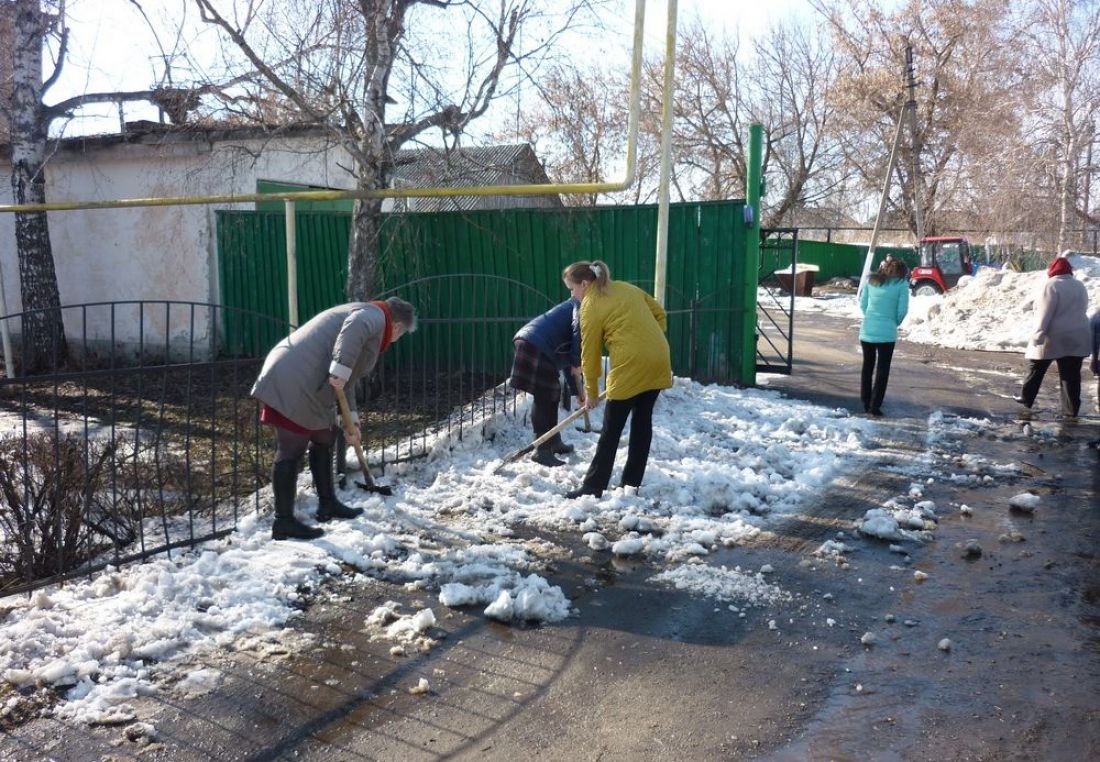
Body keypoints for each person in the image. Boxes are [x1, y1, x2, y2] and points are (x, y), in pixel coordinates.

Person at [252, 297, 417, 540]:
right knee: (291, 448)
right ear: (399, 327)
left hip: (309, 379)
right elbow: (351, 341)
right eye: (400, 335)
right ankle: (283, 522)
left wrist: (352, 421)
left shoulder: (373, 320)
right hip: (295, 378)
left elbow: (345, 382)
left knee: (325, 436)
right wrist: (340, 369)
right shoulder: (372, 316)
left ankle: (328, 503)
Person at [562, 260, 672, 499]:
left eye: (572, 289)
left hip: (630, 364)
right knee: (642, 423)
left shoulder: (590, 305)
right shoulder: (626, 288)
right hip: (659, 358)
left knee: (611, 430)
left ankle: (593, 487)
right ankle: (631, 484)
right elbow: (660, 314)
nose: (573, 294)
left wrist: (591, 392)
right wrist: (649, 341)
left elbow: (589, 354)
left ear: (584, 283)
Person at [1013, 254, 1091, 417]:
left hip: (1054, 336)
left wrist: (1038, 334)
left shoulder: (1051, 285)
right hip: (1078, 335)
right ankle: (1071, 410)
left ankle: (1026, 398)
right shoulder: (1079, 285)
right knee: (1071, 375)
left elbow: (1044, 313)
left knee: (1037, 367)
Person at [510, 298, 583, 467]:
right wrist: (576, 362)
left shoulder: (577, 305)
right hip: (534, 344)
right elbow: (577, 337)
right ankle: (541, 450)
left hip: (533, 342)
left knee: (552, 393)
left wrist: (576, 390)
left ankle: (553, 441)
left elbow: (567, 360)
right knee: (543, 396)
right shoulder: (581, 306)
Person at [859, 257, 910, 416]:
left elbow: (862, 304)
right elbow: (902, 310)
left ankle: (866, 402)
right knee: (882, 369)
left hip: (867, 330)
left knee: (867, 367)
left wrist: (870, 317)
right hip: (887, 333)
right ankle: (875, 406)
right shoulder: (901, 284)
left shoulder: (871, 282)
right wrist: (893, 322)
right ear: (901, 271)